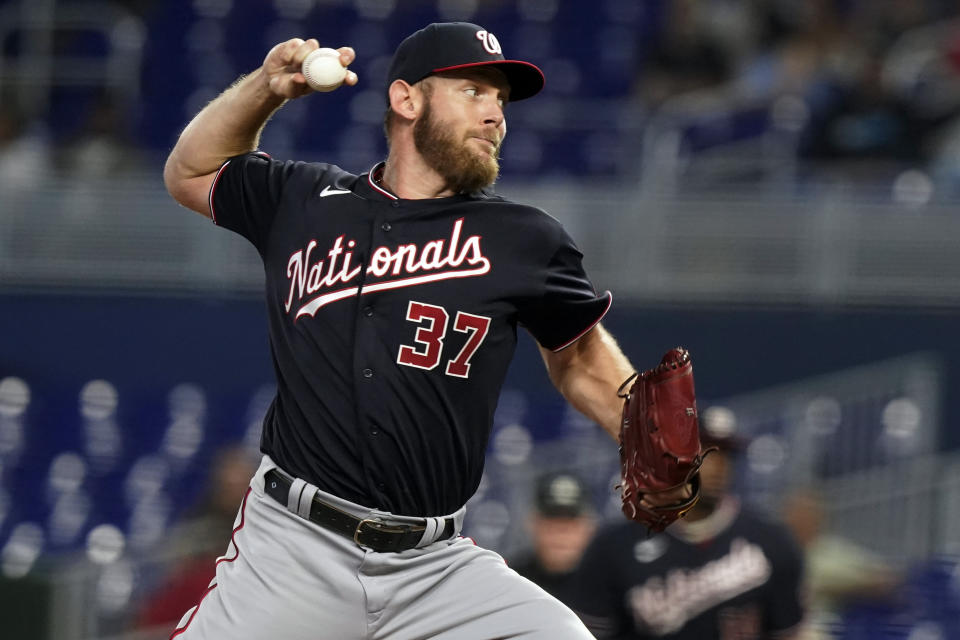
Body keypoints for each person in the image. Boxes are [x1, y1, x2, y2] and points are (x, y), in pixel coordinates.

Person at [162, 21, 692, 639]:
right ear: (406, 99)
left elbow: (578, 357)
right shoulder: (303, 200)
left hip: (435, 568)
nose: (495, 113)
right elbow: (190, 172)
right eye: (474, 90)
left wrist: (640, 429)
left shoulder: (523, 239)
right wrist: (265, 89)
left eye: (501, 100)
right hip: (292, 552)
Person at [570, 408, 805, 639]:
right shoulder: (615, 547)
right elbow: (586, 634)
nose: (717, 466)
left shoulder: (771, 540)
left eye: (725, 455)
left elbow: (788, 632)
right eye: (704, 452)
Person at [510, 471, 598, 606]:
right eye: (551, 519)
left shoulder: (609, 585)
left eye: (570, 520)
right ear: (532, 523)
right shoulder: (509, 580)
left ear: (589, 525)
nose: (561, 532)